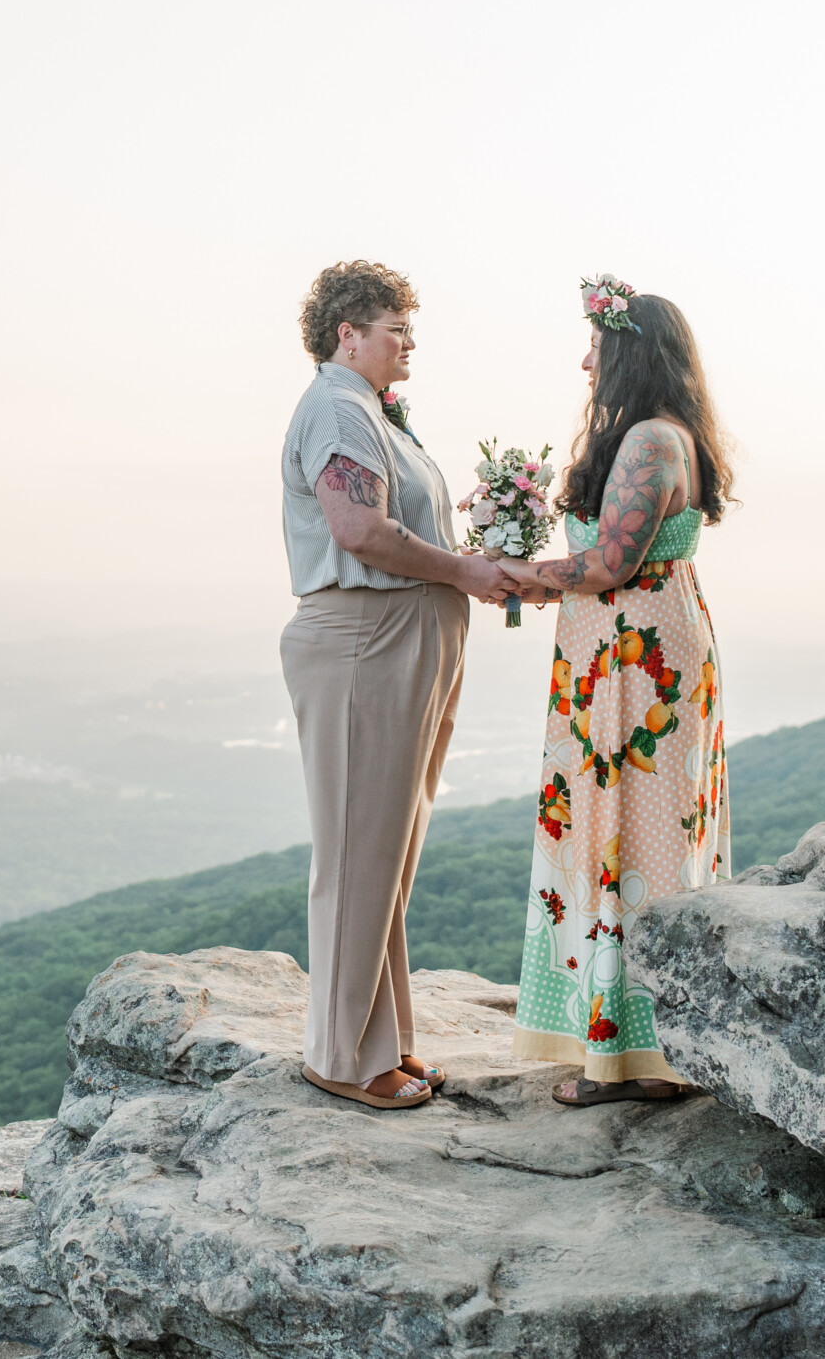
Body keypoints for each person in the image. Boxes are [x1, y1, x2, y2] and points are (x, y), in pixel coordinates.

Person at [496, 274, 736, 1107]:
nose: (585, 360)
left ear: (630, 352)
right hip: (629, 648)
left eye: (596, 345)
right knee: (636, 826)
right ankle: (642, 1042)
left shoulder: (650, 443)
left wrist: (510, 574)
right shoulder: (661, 435)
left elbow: (609, 564)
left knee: (632, 832)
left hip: (635, 663)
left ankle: (632, 1058)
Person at [279, 260, 513, 1110]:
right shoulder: (340, 406)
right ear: (349, 333)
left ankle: (385, 1040)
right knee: (357, 850)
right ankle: (341, 1056)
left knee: (388, 851)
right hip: (364, 640)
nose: (409, 341)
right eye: (395, 328)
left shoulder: (373, 412)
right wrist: (463, 569)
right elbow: (359, 529)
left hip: (403, 638)